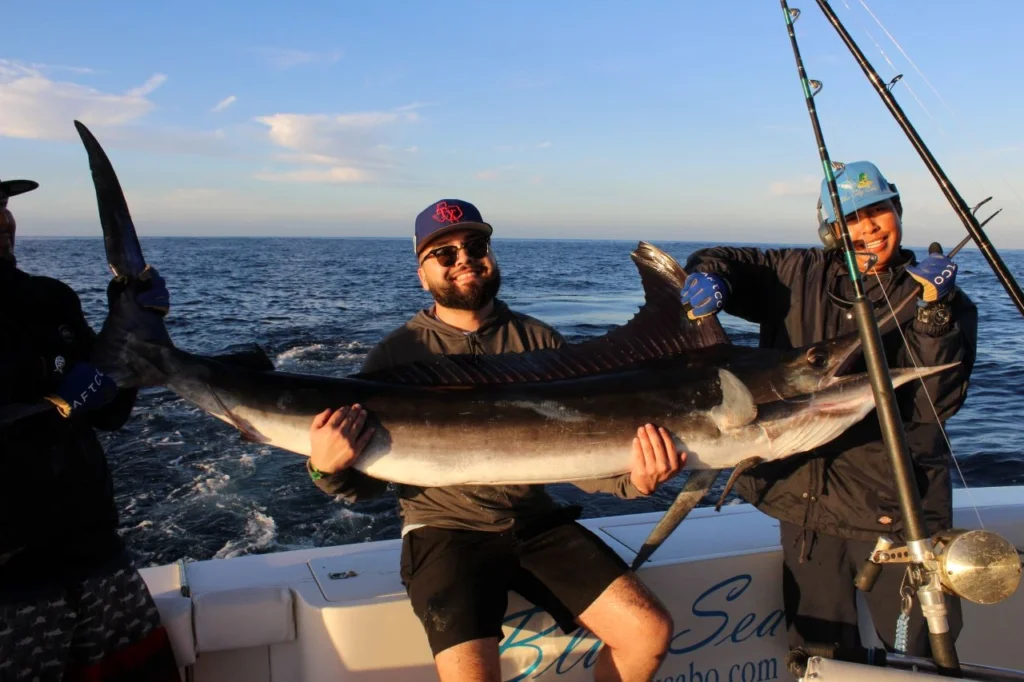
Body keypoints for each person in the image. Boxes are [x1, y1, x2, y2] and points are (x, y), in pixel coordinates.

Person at [307, 198, 687, 682]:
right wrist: (326, 469)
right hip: (445, 531)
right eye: (444, 253)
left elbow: (579, 449)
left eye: (475, 246)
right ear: (422, 275)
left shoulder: (540, 342)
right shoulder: (395, 356)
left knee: (648, 632)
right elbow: (369, 483)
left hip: (536, 522)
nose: (464, 259)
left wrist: (635, 480)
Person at [680, 160, 978, 660]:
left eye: (878, 211)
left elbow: (937, 403)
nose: (869, 229)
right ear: (831, 231)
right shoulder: (794, 274)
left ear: (897, 210)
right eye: (852, 218)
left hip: (896, 515)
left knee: (917, 660)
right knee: (818, 660)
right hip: (803, 507)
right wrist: (710, 276)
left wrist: (934, 315)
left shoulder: (939, 300)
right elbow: (726, 259)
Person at [0, 177, 181, 681]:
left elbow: (108, 410)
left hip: (95, 553)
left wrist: (131, 324)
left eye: (3, 204)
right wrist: (55, 405)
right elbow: (69, 403)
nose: (3, 219)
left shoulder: (49, 298)